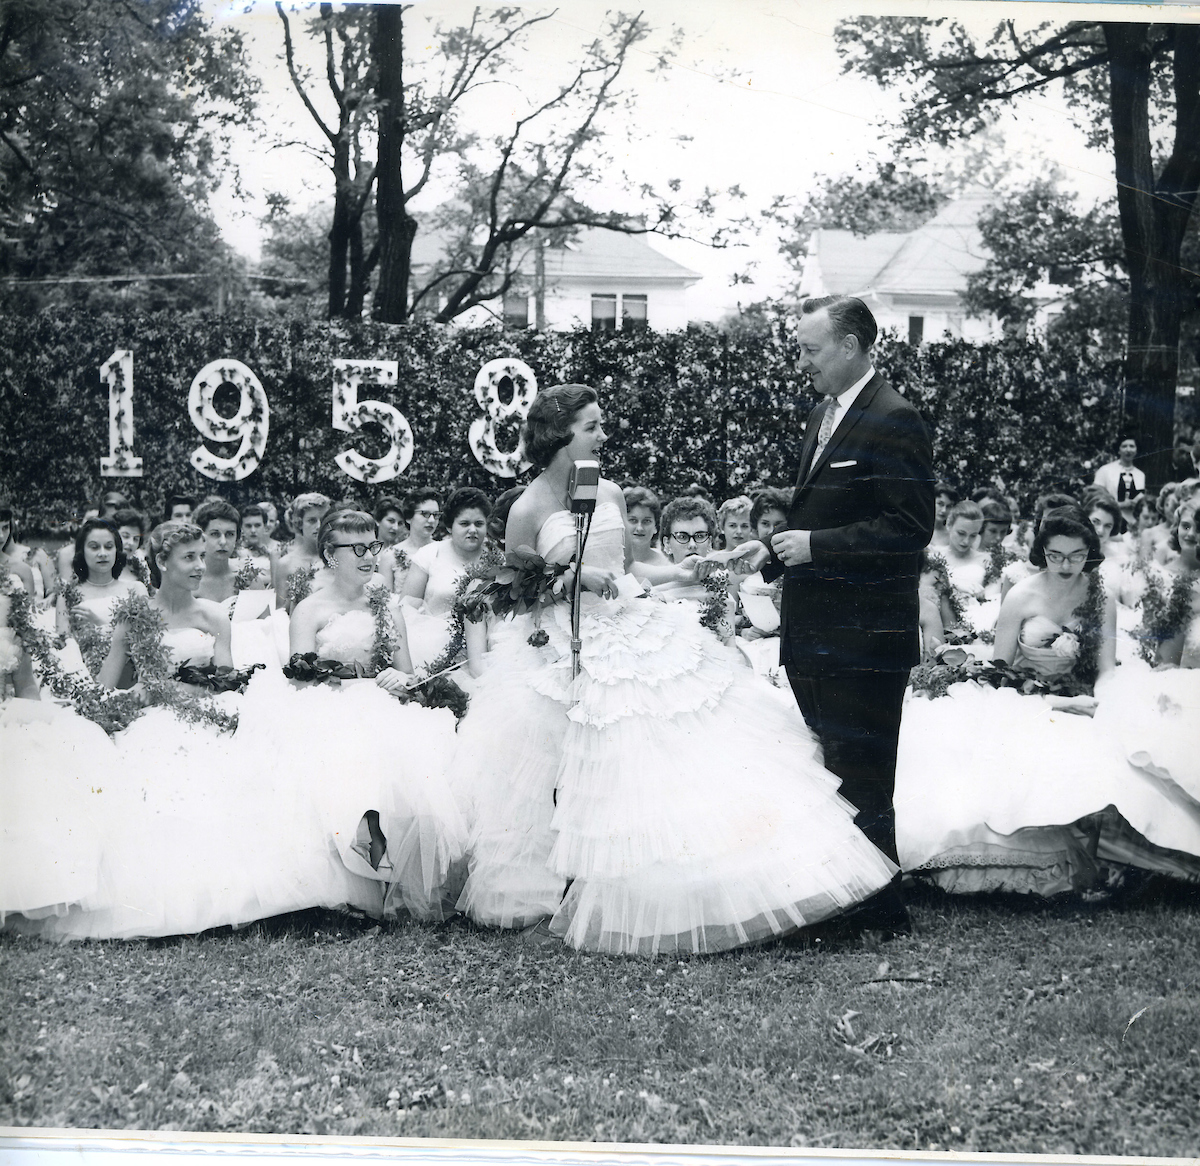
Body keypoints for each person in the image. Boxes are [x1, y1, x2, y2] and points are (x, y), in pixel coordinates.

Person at [450, 382, 896, 955]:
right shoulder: (528, 506)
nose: (604, 435)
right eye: (593, 426)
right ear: (561, 437)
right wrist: (569, 579)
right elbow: (515, 591)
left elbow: (630, 569)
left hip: (631, 627)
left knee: (672, 749)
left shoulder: (605, 490)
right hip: (564, 642)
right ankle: (560, 886)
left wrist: (686, 573)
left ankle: (690, 888)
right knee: (567, 768)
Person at [728, 295, 935, 939]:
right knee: (833, 770)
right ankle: (845, 900)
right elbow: (818, 513)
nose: (802, 362)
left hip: (866, 635)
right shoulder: (823, 411)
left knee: (864, 774)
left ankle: (878, 912)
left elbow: (909, 527)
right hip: (817, 631)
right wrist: (770, 552)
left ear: (850, 346)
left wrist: (816, 546)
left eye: (810, 349)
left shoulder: (895, 419)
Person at [896, 509, 1200, 895]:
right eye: (1056, 554)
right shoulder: (1022, 595)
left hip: (1080, 693)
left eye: (1076, 554)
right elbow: (997, 672)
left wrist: (1105, 701)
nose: (1066, 564)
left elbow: (1105, 668)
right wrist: (1052, 703)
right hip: (1024, 697)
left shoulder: (1099, 595)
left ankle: (1129, 854)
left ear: (1090, 552)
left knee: (1118, 755)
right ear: (1042, 552)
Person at [238, 509, 467, 919]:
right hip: (326, 702)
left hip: (379, 701)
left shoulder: (384, 601)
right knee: (345, 757)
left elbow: (406, 668)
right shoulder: (310, 608)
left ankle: (387, 871)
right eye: (357, 547)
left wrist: (398, 678)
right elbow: (299, 675)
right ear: (331, 555)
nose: (368, 556)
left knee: (412, 761)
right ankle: (356, 875)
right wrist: (345, 680)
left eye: (372, 546)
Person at [402, 487, 492, 669]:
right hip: (433, 650)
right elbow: (407, 608)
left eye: (479, 523)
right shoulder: (430, 554)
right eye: (465, 523)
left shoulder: (496, 559)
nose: (473, 530)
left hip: (484, 651)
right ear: (450, 526)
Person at [54, 517, 148, 680]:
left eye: (109, 547)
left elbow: (146, 638)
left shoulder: (135, 589)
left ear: (116, 551)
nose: (102, 553)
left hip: (130, 673)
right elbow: (64, 641)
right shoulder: (68, 593)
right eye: (94, 547)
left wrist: (100, 625)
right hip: (83, 673)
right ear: (82, 552)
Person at [377, 488, 441, 594]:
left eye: (436, 515)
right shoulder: (389, 555)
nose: (431, 520)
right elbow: (385, 601)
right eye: (425, 514)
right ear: (409, 517)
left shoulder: (444, 551)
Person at [274, 493, 330, 612]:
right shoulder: (286, 563)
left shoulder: (336, 557)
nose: (319, 526)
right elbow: (279, 612)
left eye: (323, 520)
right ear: (299, 523)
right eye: (312, 520)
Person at [0, 503, 58, 609]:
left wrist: (48, 600)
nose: (1, 535)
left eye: (5, 528)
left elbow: (55, 591)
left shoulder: (36, 554)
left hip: (38, 610)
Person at [194, 499, 241, 603]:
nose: (223, 542)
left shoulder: (248, 580)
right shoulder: (188, 582)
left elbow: (266, 619)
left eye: (230, 534)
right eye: (215, 534)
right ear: (202, 536)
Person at [1093, 436, 1145, 526]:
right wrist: (1121, 504)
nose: (1128, 450)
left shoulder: (1140, 475)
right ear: (1118, 450)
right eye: (1124, 446)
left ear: (1136, 450)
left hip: (1132, 522)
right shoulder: (1105, 470)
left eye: (1132, 446)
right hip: (1109, 519)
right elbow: (1094, 498)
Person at [237, 504, 277, 588]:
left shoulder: (273, 553)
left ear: (265, 527)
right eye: (248, 526)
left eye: (257, 525)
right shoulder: (235, 552)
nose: (253, 530)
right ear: (241, 528)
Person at [929, 481, 958, 549]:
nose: (944, 510)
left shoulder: (951, 536)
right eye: (940, 504)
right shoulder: (919, 529)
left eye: (949, 506)